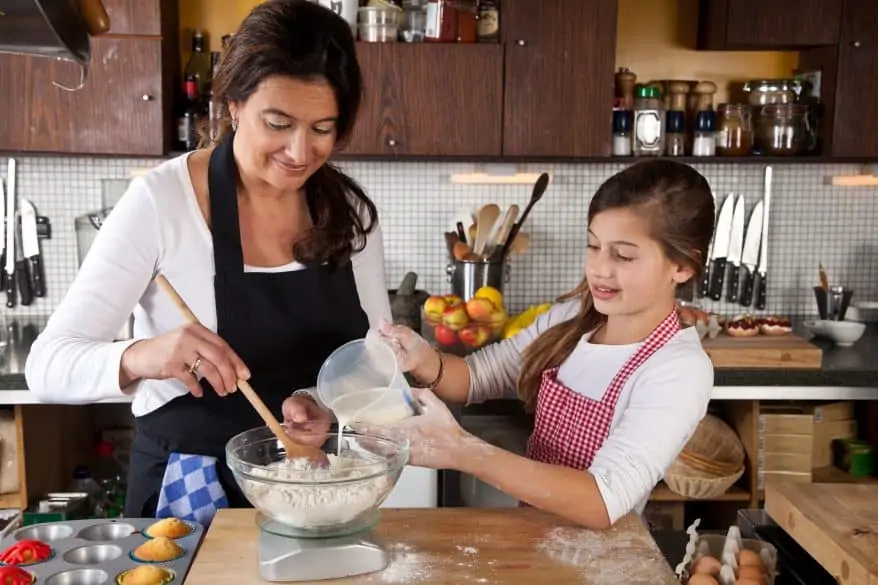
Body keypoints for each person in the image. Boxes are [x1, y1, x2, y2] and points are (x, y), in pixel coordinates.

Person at [25, 0, 391, 522]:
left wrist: (323, 400)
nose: (299, 150)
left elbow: (375, 357)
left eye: (322, 128)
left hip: (311, 490)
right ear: (235, 103)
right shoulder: (161, 202)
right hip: (190, 496)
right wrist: (143, 355)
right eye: (278, 122)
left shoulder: (348, 212)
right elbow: (48, 366)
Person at [302, 159, 716, 530]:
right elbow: (478, 377)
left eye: (624, 256)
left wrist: (463, 451)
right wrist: (421, 357)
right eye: (593, 246)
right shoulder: (574, 319)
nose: (600, 269)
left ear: (683, 265)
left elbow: (603, 501)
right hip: (532, 536)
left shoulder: (677, 369)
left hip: (602, 560)